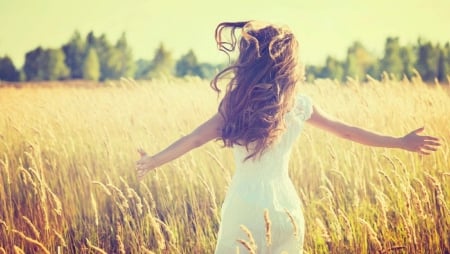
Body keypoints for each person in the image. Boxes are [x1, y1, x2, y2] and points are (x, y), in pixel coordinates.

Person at [135, 20, 441, 254]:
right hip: (287, 210)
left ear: (251, 62)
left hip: (245, 207)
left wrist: (153, 160)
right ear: (288, 64)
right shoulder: (297, 105)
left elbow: (194, 139)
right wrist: (401, 142)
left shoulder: (237, 105)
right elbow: (348, 131)